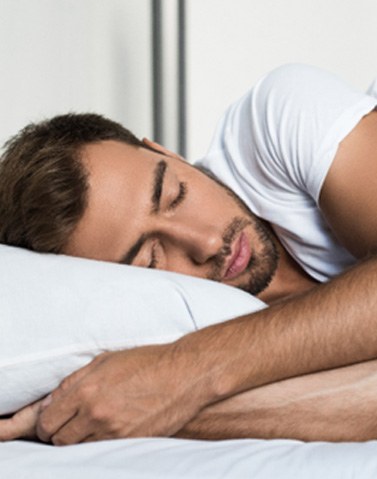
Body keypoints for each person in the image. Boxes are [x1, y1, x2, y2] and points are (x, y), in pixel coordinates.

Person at [1, 63, 377, 445]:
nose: (208, 244)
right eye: (151, 259)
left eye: (175, 195)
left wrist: (182, 373)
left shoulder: (280, 118)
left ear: (165, 152)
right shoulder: (158, 323)